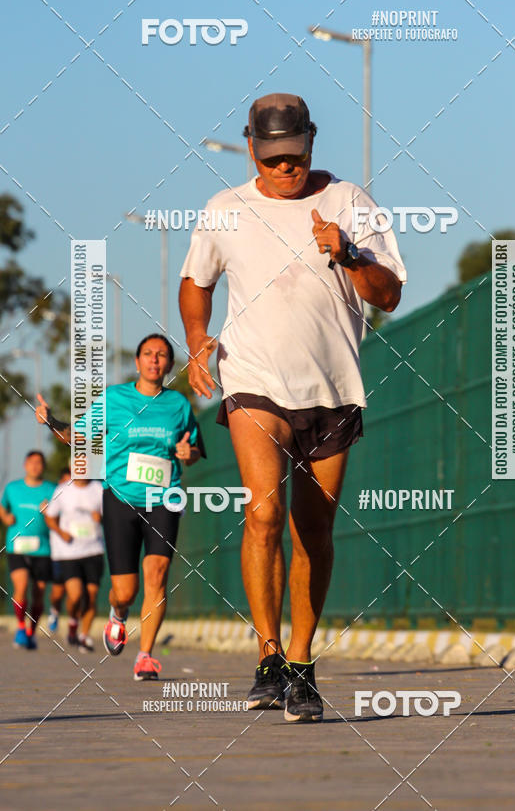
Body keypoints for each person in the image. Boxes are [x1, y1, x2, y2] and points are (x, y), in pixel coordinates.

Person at [179, 93, 405, 721]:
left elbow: (387, 295)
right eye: (273, 157)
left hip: (333, 390)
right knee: (263, 512)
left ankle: (302, 667)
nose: (285, 168)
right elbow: (195, 282)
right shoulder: (226, 210)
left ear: (311, 141)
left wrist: (350, 254)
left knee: (315, 533)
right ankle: (268, 654)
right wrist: (198, 344)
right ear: (252, 146)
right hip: (253, 379)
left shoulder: (350, 203)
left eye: (294, 156)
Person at [35, 333, 204, 680]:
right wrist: (51, 420)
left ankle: (145, 656)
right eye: (147, 354)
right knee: (126, 590)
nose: (154, 360)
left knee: (157, 574)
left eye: (161, 355)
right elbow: (76, 435)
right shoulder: (114, 399)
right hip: (121, 500)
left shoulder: (179, 405)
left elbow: (195, 448)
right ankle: (117, 613)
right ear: (137, 361)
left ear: (170, 365)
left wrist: (191, 454)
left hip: (164, 499)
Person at [0, 451, 56, 649]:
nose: (35, 466)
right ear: (25, 465)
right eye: (31, 462)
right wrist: (6, 517)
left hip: (43, 548)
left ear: (43, 466)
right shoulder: (12, 488)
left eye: (39, 463)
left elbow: (58, 517)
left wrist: (50, 512)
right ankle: (21, 627)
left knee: (39, 592)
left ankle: (32, 631)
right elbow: (2, 507)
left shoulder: (52, 489)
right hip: (17, 546)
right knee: (21, 586)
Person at [42, 477, 105, 652]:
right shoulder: (62, 490)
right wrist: (61, 533)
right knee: (76, 595)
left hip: (94, 550)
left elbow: (113, 517)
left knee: (92, 595)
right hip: (69, 552)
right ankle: (72, 622)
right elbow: (50, 517)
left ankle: (84, 636)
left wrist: (100, 517)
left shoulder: (98, 489)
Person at [47, 466, 72, 635]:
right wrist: (61, 532)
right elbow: (49, 518)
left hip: (82, 551)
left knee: (77, 591)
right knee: (58, 590)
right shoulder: (56, 495)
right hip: (60, 552)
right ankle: (54, 611)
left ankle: (74, 624)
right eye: (66, 481)